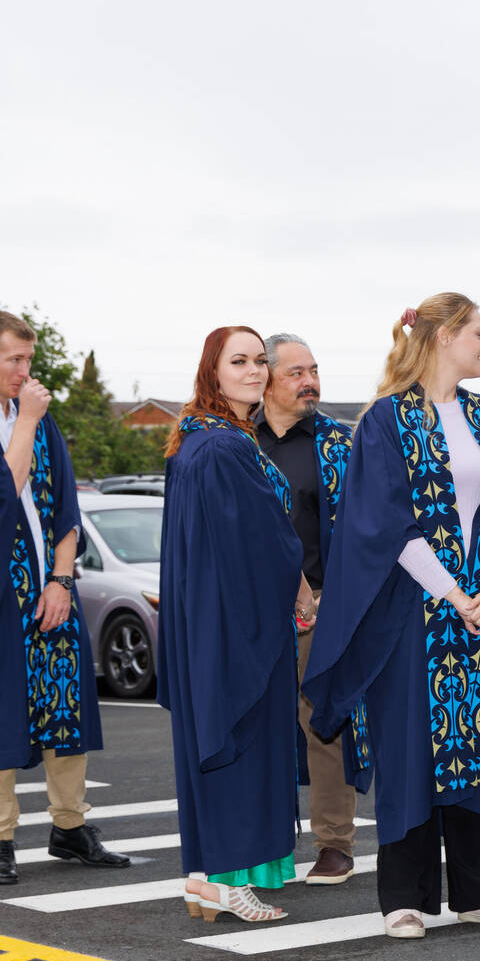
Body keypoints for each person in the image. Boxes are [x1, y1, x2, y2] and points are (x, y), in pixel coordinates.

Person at [305, 294, 480, 939]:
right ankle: (403, 896)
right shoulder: (386, 419)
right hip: (412, 613)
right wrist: (456, 594)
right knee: (411, 748)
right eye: (478, 333)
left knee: (477, 746)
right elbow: (383, 523)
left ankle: (478, 892)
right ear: (444, 336)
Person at [0, 310, 130, 885]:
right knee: (1, 714)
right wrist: (28, 421)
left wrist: (61, 581)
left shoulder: (39, 419)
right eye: (14, 359)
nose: (24, 371)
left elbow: (65, 510)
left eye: (29, 359)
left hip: (50, 590)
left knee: (66, 706)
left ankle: (70, 827)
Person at [162, 326, 313, 922]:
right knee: (240, 738)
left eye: (260, 360)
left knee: (218, 737)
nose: (254, 370)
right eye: (239, 361)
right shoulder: (224, 447)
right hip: (236, 623)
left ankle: (206, 877)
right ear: (213, 371)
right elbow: (262, 540)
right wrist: (298, 587)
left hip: (211, 618)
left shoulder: (199, 438)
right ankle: (228, 877)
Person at [258, 331, 370, 885]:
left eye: (315, 370)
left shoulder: (337, 445)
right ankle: (262, 843)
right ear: (266, 378)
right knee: (258, 730)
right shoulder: (236, 441)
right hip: (253, 613)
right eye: (297, 372)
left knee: (325, 726)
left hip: (319, 611)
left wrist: (335, 600)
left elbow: (362, 530)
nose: (311, 382)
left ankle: (334, 843)